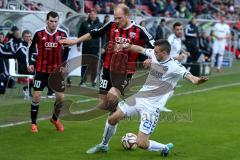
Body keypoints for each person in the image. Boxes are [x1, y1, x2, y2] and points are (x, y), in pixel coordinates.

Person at [85, 39, 208, 155]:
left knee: (141, 143)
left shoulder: (175, 66)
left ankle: (164, 147)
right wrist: (127, 46)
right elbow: (140, 49)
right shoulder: (155, 55)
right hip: (139, 98)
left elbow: (190, 77)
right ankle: (103, 145)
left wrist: (198, 80)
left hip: (152, 108)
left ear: (164, 53)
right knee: (112, 119)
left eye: (156, 52)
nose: (153, 53)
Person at [59, 3, 154, 150]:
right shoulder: (111, 25)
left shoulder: (139, 31)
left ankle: (118, 116)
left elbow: (155, 46)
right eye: (115, 18)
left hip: (124, 73)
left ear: (128, 16)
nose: (117, 20)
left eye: (120, 18)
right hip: (107, 70)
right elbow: (93, 33)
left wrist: (151, 58)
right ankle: (119, 116)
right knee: (104, 105)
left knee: (111, 97)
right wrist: (75, 41)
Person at [28, 11, 70, 133]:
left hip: (56, 71)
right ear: (47, 21)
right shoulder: (39, 33)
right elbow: (30, 49)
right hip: (41, 70)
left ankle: (55, 119)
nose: (53, 23)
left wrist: (64, 63)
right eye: (51, 21)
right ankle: (34, 124)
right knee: (36, 96)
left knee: (61, 97)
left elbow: (67, 49)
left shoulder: (62, 33)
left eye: (56, 21)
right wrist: (30, 63)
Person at [77, 9, 102, 87]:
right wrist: (78, 44)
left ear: (96, 15)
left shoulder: (100, 24)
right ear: (89, 15)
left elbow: (104, 36)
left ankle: (93, 81)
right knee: (84, 64)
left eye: (94, 14)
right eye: (91, 14)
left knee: (94, 65)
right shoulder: (84, 24)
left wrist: (103, 47)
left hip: (96, 48)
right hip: (86, 47)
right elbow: (80, 35)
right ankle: (83, 81)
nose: (92, 15)